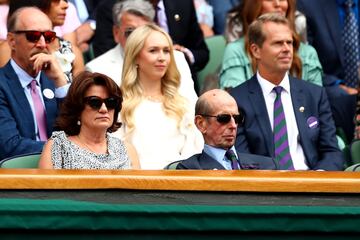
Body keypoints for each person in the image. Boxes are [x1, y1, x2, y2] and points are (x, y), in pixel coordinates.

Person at [230, 13, 344, 171]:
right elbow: (241, 157)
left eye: (289, 43)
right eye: (278, 43)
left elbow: (331, 151)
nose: (287, 49)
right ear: (256, 51)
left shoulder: (314, 95)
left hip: (313, 184)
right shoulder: (237, 100)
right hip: (265, 188)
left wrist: (318, 178)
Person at [116, 23, 203, 170]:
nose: (162, 58)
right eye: (153, 51)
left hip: (182, 183)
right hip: (137, 185)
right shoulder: (120, 103)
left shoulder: (182, 101)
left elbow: (196, 148)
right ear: (136, 56)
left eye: (166, 51)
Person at [85, 0, 198, 107]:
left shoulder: (176, 59)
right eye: (130, 32)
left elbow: (192, 109)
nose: (137, 39)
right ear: (116, 32)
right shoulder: (98, 70)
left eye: (144, 32)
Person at [0, 7, 69, 160]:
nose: (43, 44)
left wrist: (61, 82)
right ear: (12, 41)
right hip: (18, 177)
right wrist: (67, 149)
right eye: (33, 36)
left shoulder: (55, 80)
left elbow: (77, 130)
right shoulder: (2, 84)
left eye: (49, 36)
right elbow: (9, 146)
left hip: (62, 174)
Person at [38, 71, 140, 169]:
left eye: (111, 102)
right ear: (77, 109)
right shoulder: (58, 147)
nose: (104, 109)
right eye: (94, 102)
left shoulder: (127, 150)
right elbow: (47, 186)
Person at [220, 0, 323, 90]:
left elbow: (316, 103)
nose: (278, 4)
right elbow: (235, 103)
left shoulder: (308, 54)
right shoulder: (235, 51)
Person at [297, 0, 358, 143]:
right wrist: (338, 84)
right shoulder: (309, 6)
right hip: (333, 87)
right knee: (342, 98)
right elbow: (307, 63)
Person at [176, 89, 276, 170]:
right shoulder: (189, 170)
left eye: (237, 118)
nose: (233, 125)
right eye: (224, 118)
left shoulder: (269, 166)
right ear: (201, 124)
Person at [0, 0, 84, 82]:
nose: (66, 5)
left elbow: (79, 94)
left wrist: (59, 80)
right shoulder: (9, 48)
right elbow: (8, 88)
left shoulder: (73, 51)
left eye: (49, 37)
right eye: (32, 36)